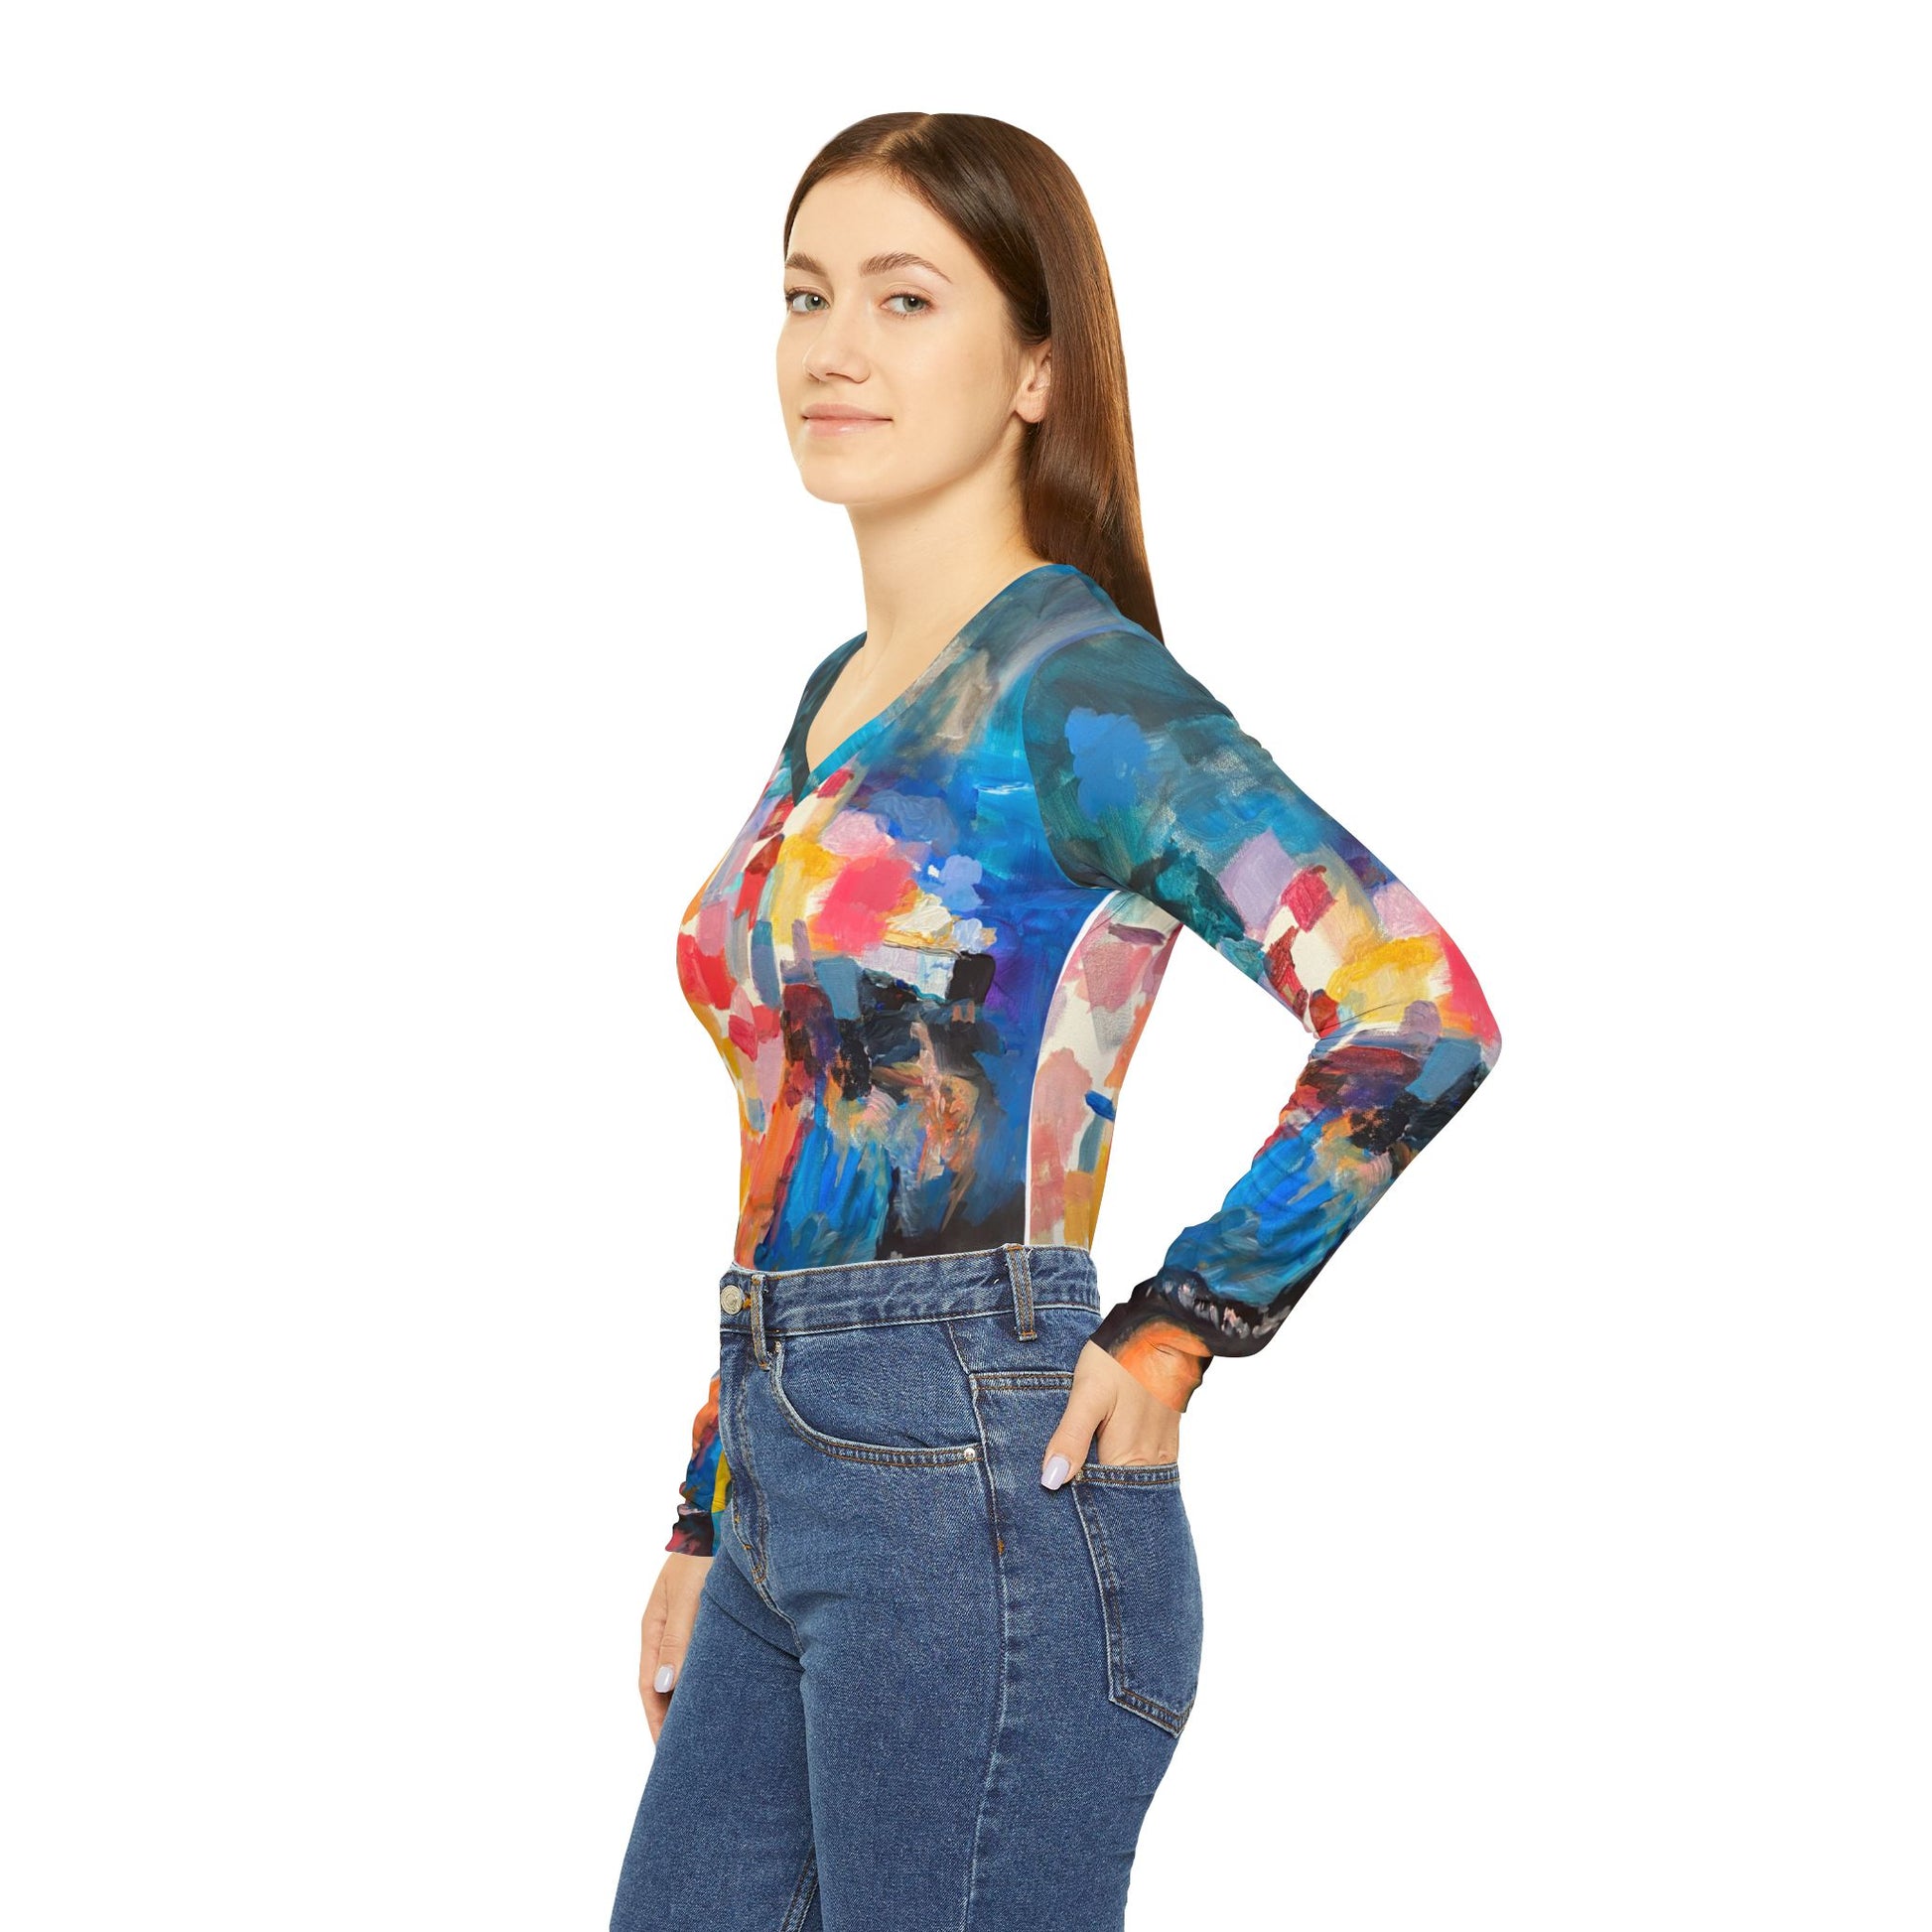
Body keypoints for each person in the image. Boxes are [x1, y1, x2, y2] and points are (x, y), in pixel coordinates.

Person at [610, 112, 1502, 1932]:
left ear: (1034, 368)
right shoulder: (839, 698)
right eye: (803, 295)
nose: (833, 346)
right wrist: (710, 1504)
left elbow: (1412, 1005)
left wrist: (1181, 1323)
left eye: (903, 298)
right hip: (788, 1463)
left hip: (972, 1482)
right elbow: (797, 1137)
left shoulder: (1079, 695)